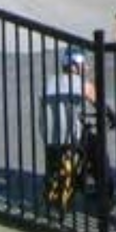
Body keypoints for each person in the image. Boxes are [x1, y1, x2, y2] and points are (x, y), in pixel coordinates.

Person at [40, 46, 110, 199]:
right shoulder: (81, 83)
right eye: (83, 64)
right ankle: (103, 190)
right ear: (73, 65)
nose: (86, 67)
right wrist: (111, 114)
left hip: (50, 136)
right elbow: (99, 102)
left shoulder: (50, 82)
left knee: (52, 158)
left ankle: (51, 182)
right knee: (97, 147)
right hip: (71, 136)